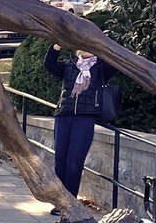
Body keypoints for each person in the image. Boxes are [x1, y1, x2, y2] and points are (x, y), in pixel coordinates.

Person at [44, 43, 115, 207]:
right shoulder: (69, 64)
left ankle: (70, 203)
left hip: (85, 118)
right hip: (63, 115)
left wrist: (102, 47)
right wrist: (56, 47)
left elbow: (116, 64)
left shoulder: (101, 67)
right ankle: (60, 202)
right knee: (60, 160)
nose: (85, 48)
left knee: (74, 162)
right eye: (81, 44)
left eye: (88, 44)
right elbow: (50, 66)